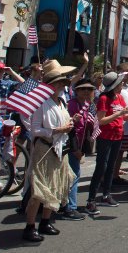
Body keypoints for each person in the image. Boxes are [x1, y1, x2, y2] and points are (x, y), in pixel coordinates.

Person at [22, 61, 77, 242]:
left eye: (62, 83)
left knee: (56, 186)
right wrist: (57, 130)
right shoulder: (40, 103)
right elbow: (34, 129)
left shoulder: (61, 101)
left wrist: (69, 124)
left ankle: (45, 221)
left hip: (60, 148)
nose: (62, 86)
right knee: (39, 190)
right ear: (50, 85)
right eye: (58, 83)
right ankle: (30, 226)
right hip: (44, 148)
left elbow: (64, 122)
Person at [85, 72, 128, 215]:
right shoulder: (104, 98)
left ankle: (106, 194)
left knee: (111, 167)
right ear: (114, 86)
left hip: (117, 135)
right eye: (119, 84)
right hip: (105, 137)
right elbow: (101, 120)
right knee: (101, 166)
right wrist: (119, 114)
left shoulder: (119, 98)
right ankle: (91, 200)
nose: (121, 86)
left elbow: (124, 116)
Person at [59, 78, 97, 221]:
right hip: (70, 144)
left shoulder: (88, 105)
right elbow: (71, 129)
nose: (86, 91)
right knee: (73, 176)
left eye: (89, 89)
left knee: (72, 175)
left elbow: (87, 127)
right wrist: (75, 149)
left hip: (80, 144)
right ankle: (70, 208)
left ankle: (66, 204)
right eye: (83, 89)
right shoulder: (72, 105)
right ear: (76, 91)